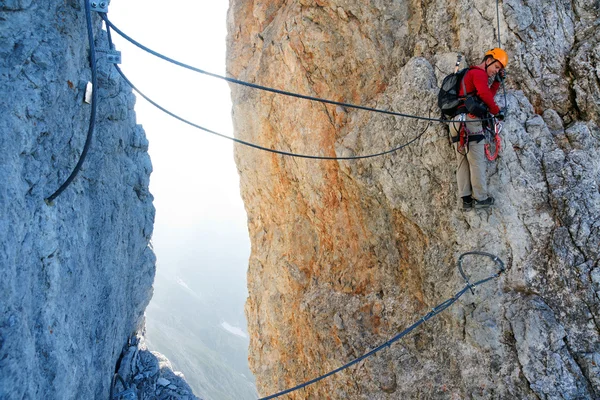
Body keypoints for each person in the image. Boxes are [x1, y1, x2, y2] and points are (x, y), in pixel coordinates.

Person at [450, 48, 507, 211]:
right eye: (496, 67)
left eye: (499, 70)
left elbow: (486, 93)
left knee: (462, 161)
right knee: (477, 161)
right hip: (470, 121)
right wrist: (497, 112)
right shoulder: (479, 73)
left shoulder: (472, 74)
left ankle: (466, 199)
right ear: (489, 60)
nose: (496, 71)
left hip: (456, 122)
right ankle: (481, 198)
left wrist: (496, 81)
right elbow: (484, 94)